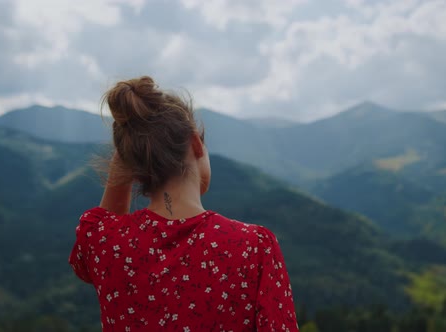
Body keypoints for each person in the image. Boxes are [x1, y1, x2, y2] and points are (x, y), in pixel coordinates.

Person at [69, 76, 298, 331]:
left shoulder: (105, 242)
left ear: (131, 161)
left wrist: (127, 154)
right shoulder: (253, 248)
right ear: (195, 144)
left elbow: (87, 259)